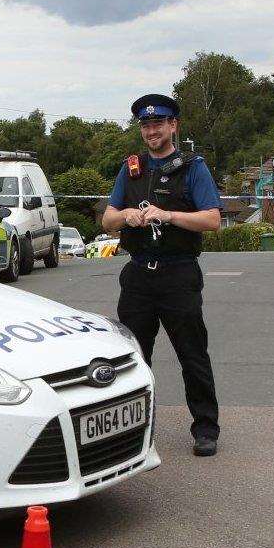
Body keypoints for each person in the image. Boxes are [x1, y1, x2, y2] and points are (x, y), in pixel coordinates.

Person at [102, 94, 222, 457]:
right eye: (146, 125)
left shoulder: (192, 167)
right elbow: (108, 222)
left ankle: (205, 428)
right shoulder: (131, 169)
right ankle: (137, 430)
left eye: (158, 124)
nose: (152, 131)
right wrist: (127, 216)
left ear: (173, 126)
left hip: (178, 274)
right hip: (138, 275)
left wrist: (168, 215)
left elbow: (212, 220)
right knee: (134, 358)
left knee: (192, 354)